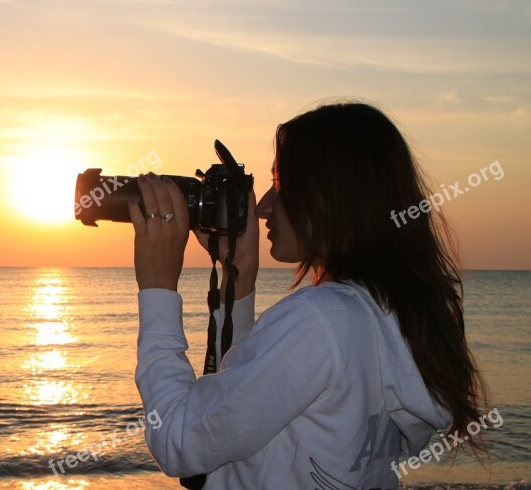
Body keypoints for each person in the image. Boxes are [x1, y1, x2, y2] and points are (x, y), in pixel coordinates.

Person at [128, 102, 489, 489]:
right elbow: (242, 411)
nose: (264, 207)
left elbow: (177, 441)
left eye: (280, 186)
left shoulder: (322, 321)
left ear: (329, 197)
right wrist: (239, 281)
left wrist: (158, 288)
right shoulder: (389, 319)